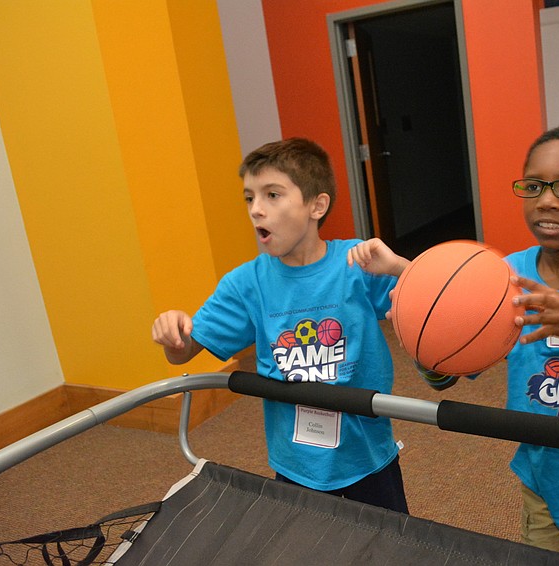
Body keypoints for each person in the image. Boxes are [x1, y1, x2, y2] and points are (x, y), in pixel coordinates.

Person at [349, 124, 559, 564]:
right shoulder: (502, 275)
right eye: (534, 186)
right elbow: (443, 377)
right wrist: (421, 328)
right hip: (544, 489)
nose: (547, 199)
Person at [151, 137, 410, 513]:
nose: (256, 210)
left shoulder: (359, 262)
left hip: (367, 456)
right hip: (295, 463)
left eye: (272, 195)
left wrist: (399, 267)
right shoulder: (245, 284)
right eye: (249, 198)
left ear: (316, 205)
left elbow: (436, 302)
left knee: (391, 546)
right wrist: (174, 335)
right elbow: (183, 353)